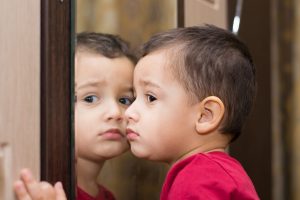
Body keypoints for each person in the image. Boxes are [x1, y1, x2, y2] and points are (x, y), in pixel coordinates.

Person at [125, 25, 260, 199]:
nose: (129, 112)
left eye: (150, 97)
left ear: (205, 115)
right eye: (133, 97)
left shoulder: (200, 179)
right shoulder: (210, 173)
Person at [14, 32, 136, 200]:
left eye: (125, 100)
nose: (115, 112)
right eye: (90, 98)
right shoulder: (50, 192)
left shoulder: (108, 197)